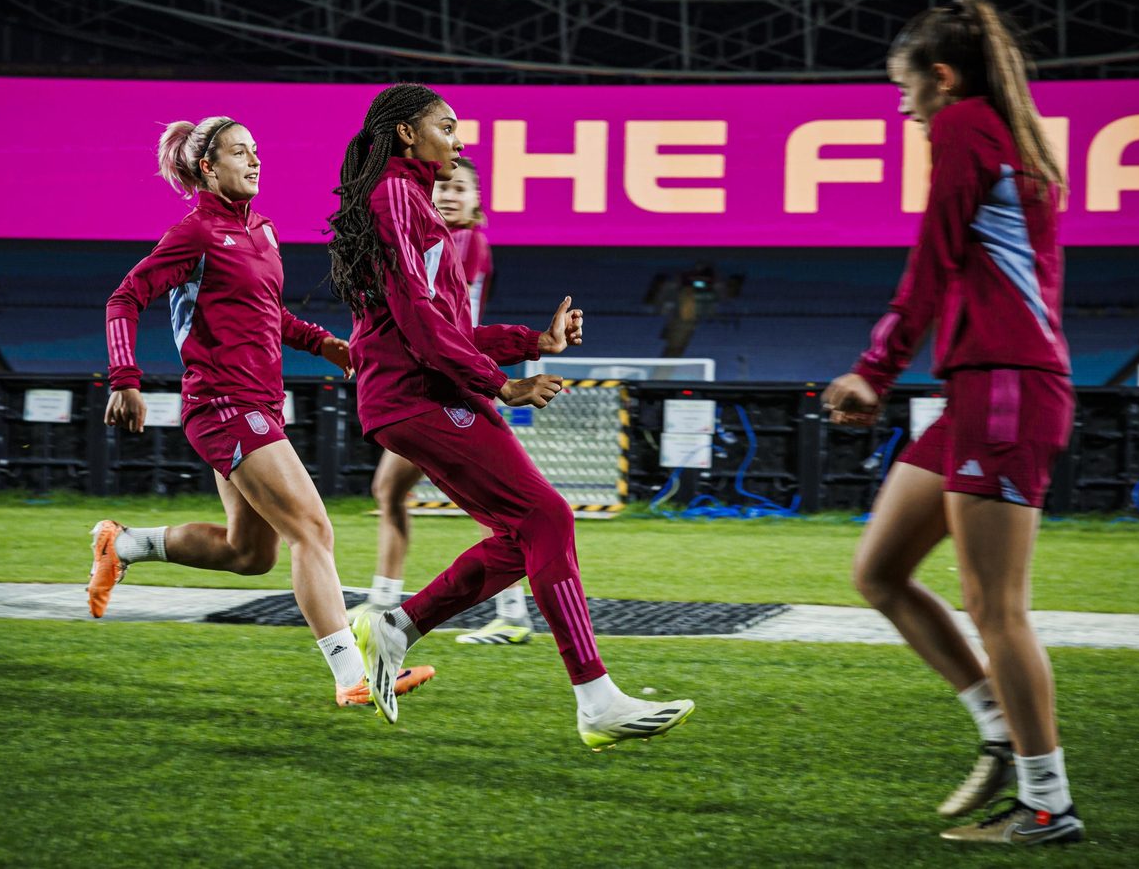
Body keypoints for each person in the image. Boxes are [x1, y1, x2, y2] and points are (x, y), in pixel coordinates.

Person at [328, 83, 694, 747]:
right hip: (420, 394)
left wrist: (536, 344)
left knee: (526, 533)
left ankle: (395, 628)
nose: (459, 138)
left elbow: (446, 328)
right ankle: (596, 700)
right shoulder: (396, 198)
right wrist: (503, 386)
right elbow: (416, 322)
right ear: (407, 133)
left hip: (427, 390)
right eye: (447, 125)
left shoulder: (411, 201)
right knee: (547, 516)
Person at [821, 0, 1082, 845]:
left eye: (904, 89)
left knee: (996, 607)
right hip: (982, 386)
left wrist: (874, 369)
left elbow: (930, 258)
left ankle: (1047, 804)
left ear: (941, 78)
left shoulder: (966, 124)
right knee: (881, 571)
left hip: (1007, 387)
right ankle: (1002, 730)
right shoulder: (1005, 129)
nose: (900, 108)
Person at [90, 115, 432, 709]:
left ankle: (123, 545)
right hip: (225, 407)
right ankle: (353, 675)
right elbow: (125, 298)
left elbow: (267, 313)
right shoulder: (194, 234)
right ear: (207, 167)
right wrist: (125, 379)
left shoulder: (264, 231)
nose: (254, 162)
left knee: (250, 554)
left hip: (258, 406)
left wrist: (322, 343)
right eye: (239, 153)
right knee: (313, 529)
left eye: (256, 152)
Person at [362, 156, 535, 645]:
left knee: (499, 511)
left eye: (461, 188)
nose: (450, 195)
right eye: (443, 187)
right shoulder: (444, 237)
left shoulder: (462, 240)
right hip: (439, 385)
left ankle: (511, 615)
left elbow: (430, 314)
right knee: (389, 491)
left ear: (478, 202)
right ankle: (383, 599)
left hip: (451, 387)